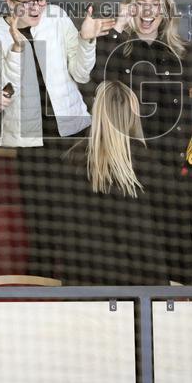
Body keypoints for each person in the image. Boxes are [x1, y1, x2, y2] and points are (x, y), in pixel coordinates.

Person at [97, 0, 192, 282]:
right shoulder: (115, 48)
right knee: (138, 260)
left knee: (179, 259)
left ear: (166, 10)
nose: (147, 12)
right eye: (140, 4)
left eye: (155, 5)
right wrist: (117, 30)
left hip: (176, 170)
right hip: (131, 169)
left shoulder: (185, 53)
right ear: (129, 6)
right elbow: (97, 85)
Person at [0, 0, 114, 276]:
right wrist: (16, 48)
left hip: (73, 131)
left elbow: (81, 74)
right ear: (9, 2)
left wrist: (86, 40)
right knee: (41, 223)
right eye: (27, 2)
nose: (36, 8)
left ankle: (86, 284)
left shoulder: (57, 17)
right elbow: (2, 87)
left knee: (83, 218)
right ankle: (43, 288)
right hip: (30, 141)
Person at [59, 81, 166, 285]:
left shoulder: (74, 161)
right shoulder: (145, 162)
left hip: (87, 285)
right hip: (140, 285)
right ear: (132, 115)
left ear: (97, 111)